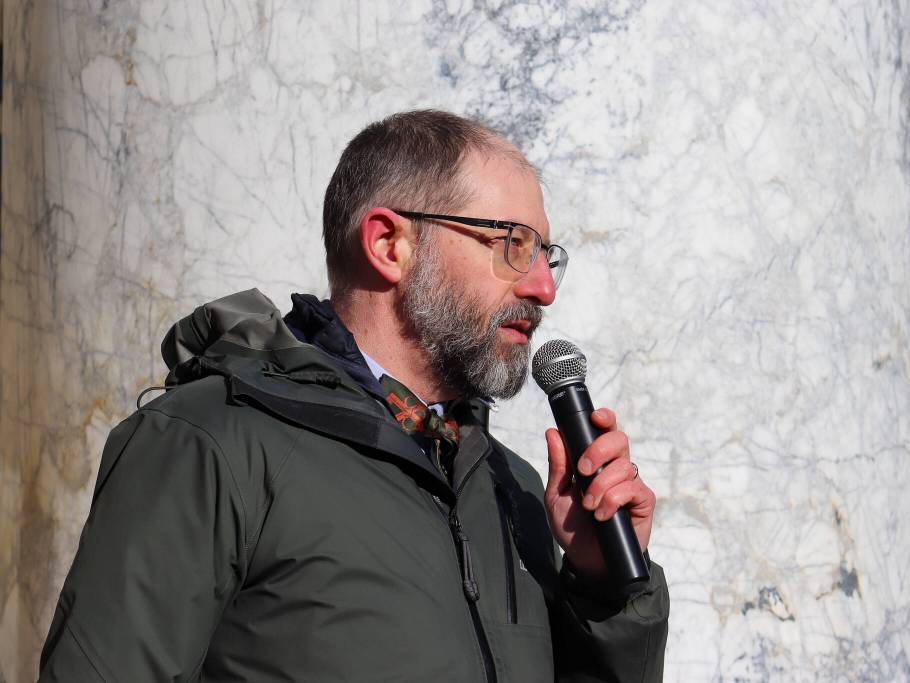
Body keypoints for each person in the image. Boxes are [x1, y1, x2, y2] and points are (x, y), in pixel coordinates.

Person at [38, 110, 669, 682]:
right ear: (389, 244)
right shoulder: (209, 445)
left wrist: (603, 587)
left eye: (545, 255)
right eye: (512, 245)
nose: (543, 289)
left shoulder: (517, 489)